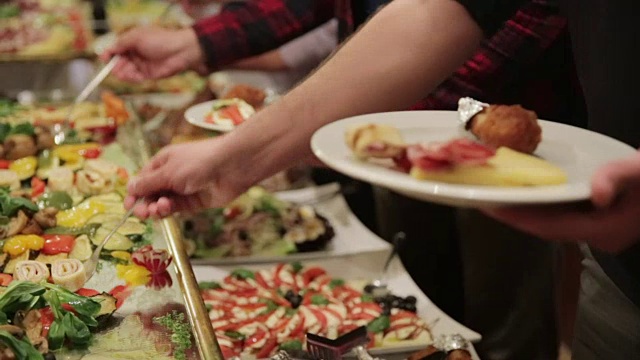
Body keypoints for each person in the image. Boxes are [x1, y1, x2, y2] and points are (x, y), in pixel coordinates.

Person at [107, 0, 640, 358]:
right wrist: (238, 156)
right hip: (619, 284)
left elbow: (496, 49)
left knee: (506, 310)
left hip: (525, 157)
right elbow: (442, 12)